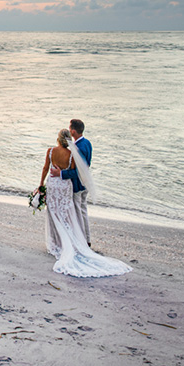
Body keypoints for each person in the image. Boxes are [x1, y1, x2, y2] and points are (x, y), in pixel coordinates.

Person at [40, 128, 131, 278]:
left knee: (55, 214)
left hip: (57, 185)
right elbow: (79, 168)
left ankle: (61, 243)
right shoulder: (74, 152)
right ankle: (77, 240)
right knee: (67, 214)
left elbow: (46, 168)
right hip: (66, 187)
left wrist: (43, 182)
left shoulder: (51, 151)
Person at [50, 119, 92, 245]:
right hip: (86, 183)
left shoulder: (78, 148)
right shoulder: (87, 143)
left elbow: (78, 171)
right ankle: (87, 239)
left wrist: (61, 173)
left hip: (78, 185)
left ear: (73, 131)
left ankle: (83, 240)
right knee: (83, 211)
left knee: (78, 213)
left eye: (70, 128)